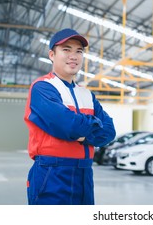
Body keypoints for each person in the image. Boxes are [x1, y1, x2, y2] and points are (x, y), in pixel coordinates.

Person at [24, 28, 116, 205]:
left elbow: (109, 132)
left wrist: (79, 134)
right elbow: (69, 126)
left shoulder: (87, 95)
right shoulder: (43, 88)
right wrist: (88, 131)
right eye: (66, 49)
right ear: (52, 54)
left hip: (85, 173)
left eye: (79, 51)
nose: (73, 56)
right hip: (52, 172)